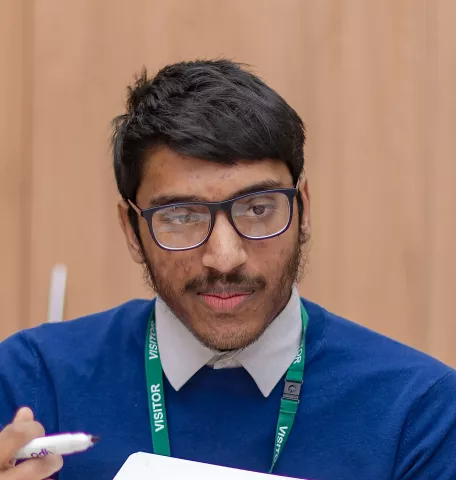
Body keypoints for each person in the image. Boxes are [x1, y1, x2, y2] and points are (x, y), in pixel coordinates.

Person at [0, 59, 455, 480]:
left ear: (305, 210)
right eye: (181, 216)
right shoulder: (34, 380)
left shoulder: (418, 411)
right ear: (131, 229)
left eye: (258, 208)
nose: (225, 257)